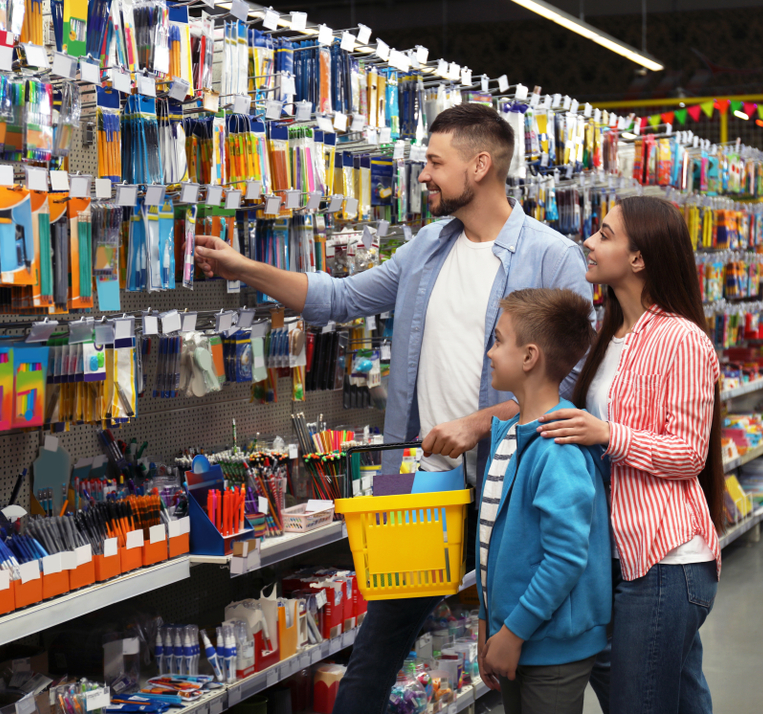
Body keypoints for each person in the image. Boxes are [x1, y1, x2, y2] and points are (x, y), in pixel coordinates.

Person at [194, 103, 593, 714]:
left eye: (435, 162)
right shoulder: (428, 247)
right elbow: (340, 297)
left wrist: (478, 423)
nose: (424, 175)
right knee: (373, 657)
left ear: (480, 164)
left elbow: (565, 393)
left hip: (509, 492)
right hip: (423, 490)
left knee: (530, 660)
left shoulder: (553, 257)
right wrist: (240, 266)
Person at [536, 196, 727, 714]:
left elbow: (689, 454)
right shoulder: (612, 333)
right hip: (625, 557)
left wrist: (607, 434)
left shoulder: (681, 339)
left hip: (666, 560)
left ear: (638, 258)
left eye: (603, 234)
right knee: (682, 700)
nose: (588, 243)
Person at [476, 288, 611, 714]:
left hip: (550, 645)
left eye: (499, 340)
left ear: (530, 356)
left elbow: (566, 558)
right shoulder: (509, 435)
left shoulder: (557, 450)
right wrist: (489, 627)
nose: (490, 353)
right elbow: (490, 546)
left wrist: (513, 632)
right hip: (514, 635)